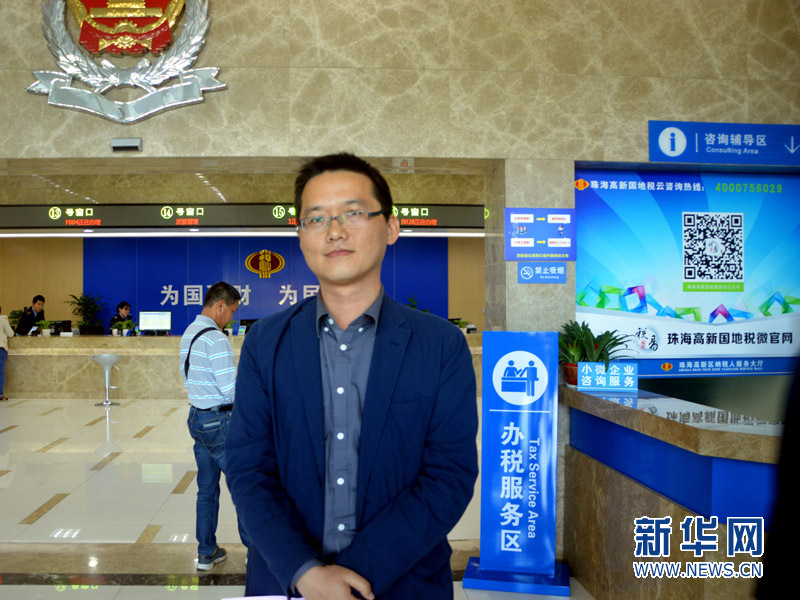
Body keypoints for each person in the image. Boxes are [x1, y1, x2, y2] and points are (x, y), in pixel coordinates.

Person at [226, 153, 479, 599]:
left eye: (353, 213)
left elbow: (449, 475)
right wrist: (306, 572)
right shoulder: (265, 342)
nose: (335, 231)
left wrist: (351, 579)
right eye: (316, 218)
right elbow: (248, 469)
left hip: (403, 584)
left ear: (391, 227)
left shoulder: (440, 345)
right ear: (300, 235)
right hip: (288, 583)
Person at [180, 282, 248, 571]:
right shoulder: (216, 339)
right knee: (245, 486)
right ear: (220, 305)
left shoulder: (189, 332)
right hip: (220, 422)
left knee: (206, 489)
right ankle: (257, 551)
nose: (231, 318)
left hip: (197, 418)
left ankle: (206, 552)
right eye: (232, 310)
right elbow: (231, 390)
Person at [1, 306, 14, 402]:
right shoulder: (3, 319)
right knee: (0, 373)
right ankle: (0, 394)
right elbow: (10, 333)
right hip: (1, 348)